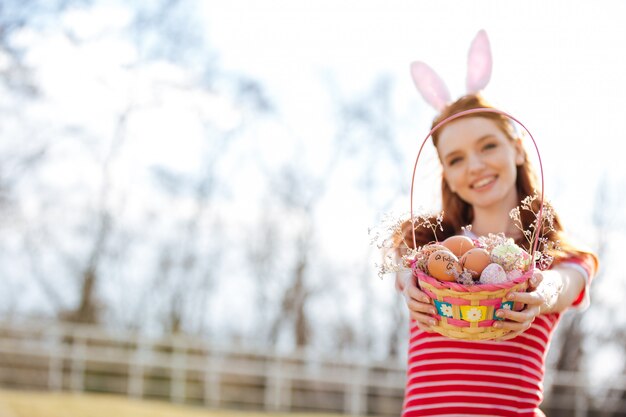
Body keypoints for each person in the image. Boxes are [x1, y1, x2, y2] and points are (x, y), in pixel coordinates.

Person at [392, 31, 599, 417]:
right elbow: (406, 275)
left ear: (517, 148)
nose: (475, 166)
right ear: (448, 176)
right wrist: (409, 281)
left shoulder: (554, 256)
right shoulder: (428, 247)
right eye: (456, 159)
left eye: (488, 145)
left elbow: (563, 286)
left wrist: (541, 289)